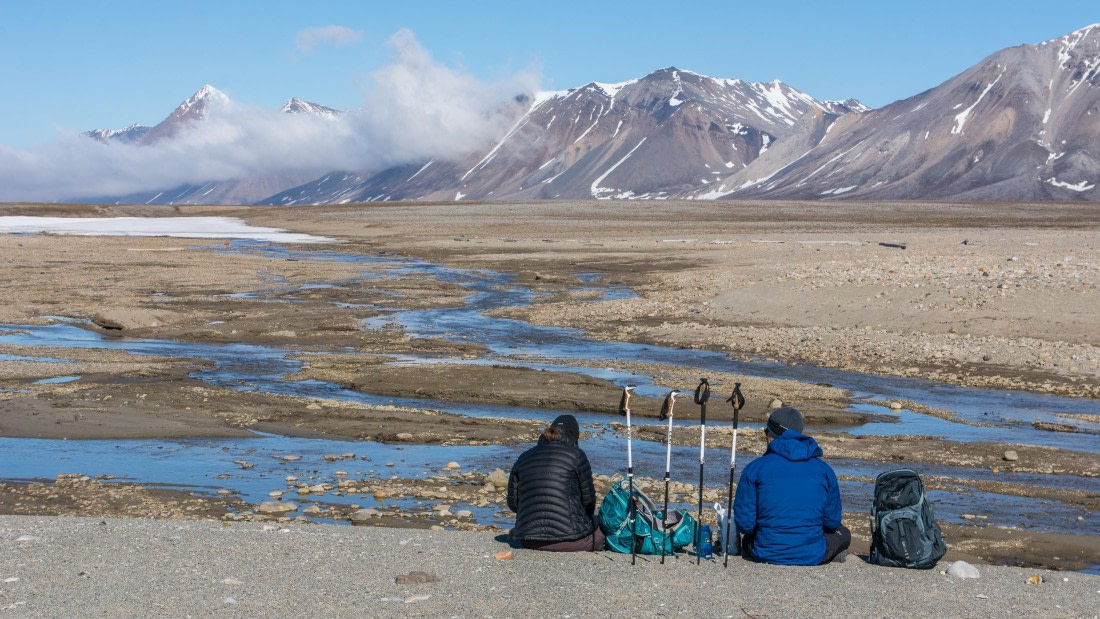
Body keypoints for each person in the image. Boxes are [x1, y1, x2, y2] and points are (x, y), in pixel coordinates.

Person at [733, 406, 851, 565]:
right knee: (843, 533)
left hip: (765, 551)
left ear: (770, 435)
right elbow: (831, 522)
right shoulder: (824, 470)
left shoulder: (755, 468)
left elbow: (745, 525)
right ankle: (831, 553)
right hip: (812, 553)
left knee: (750, 536)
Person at [506, 414, 605, 551]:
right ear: (574, 435)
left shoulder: (524, 457)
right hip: (570, 539)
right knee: (602, 531)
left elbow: (513, 504)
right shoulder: (577, 455)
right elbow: (588, 502)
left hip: (528, 539)